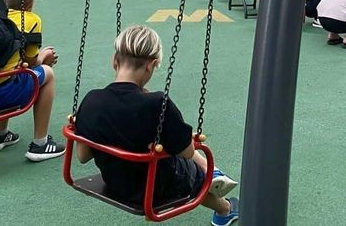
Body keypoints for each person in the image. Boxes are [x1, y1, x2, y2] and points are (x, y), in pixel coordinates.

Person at [73, 26, 239, 225]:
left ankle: (215, 181)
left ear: (115, 60)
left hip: (116, 184)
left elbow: (83, 156)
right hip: (158, 188)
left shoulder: (91, 100)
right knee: (191, 166)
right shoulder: (157, 104)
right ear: (150, 66)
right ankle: (225, 208)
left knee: (169, 140)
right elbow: (187, 152)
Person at [0, 0, 65, 161]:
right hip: (3, 93)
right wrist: (44, 57)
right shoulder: (32, 20)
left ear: (5, 0)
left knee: (6, 69)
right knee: (47, 73)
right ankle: (40, 144)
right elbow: (31, 63)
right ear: (31, 5)